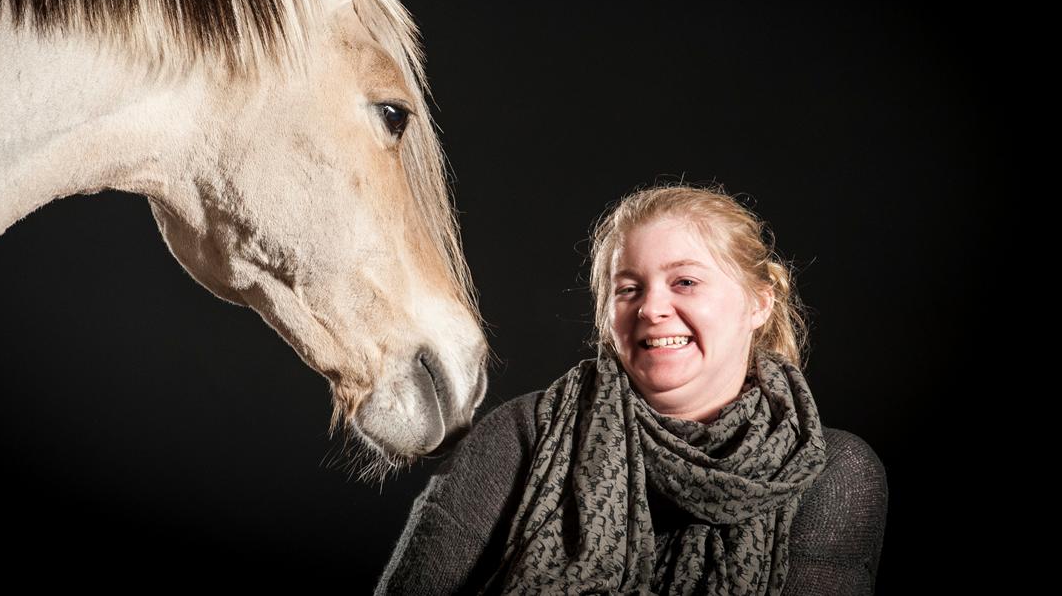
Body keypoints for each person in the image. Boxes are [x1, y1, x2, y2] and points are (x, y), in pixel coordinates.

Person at [375, 184, 888, 595]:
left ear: (758, 304)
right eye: (628, 288)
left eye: (684, 281)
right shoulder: (522, 435)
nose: (650, 309)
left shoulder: (833, 473)